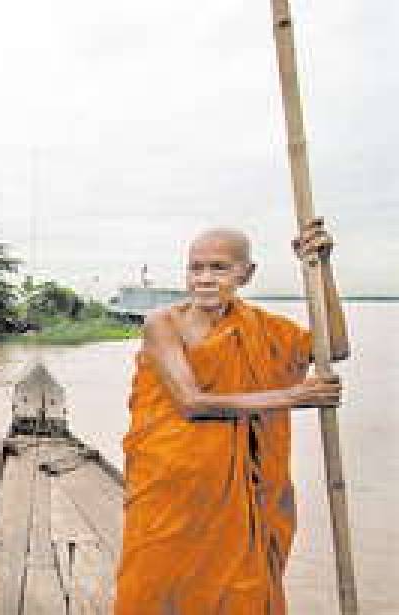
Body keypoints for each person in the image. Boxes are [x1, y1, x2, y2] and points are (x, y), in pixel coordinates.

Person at [114, 219, 348, 614]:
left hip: (241, 488)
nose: (205, 278)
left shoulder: (260, 327)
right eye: (196, 267)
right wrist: (294, 396)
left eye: (219, 267)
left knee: (240, 587)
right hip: (170, 486)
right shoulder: (163, 323)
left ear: (247, 273)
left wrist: (322, 267)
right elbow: (191, 402)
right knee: (154, 583)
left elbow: (335, 347)